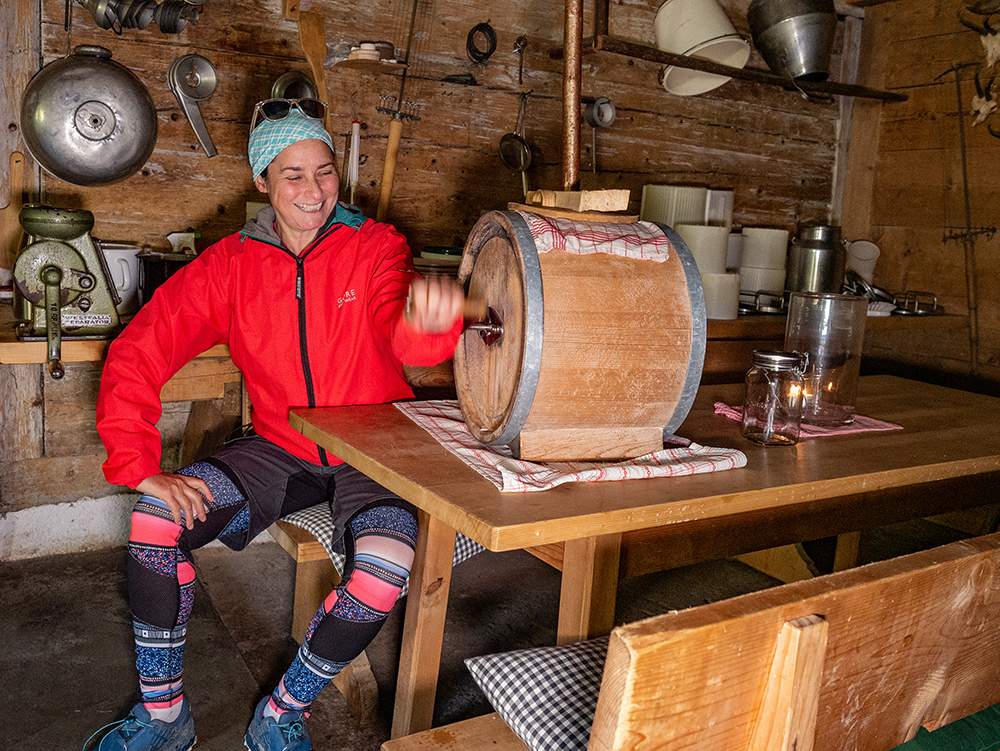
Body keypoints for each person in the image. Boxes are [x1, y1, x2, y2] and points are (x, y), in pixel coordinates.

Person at [88, 98, 465, 751]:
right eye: (293, 174)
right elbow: (137, 350)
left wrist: (429, 323)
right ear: (262, 181)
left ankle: (283, 709)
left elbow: (399, 335)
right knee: (154, 521)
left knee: (384, 567)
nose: (314, 190)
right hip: (281, 448)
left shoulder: (374, 245)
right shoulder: (229, 265)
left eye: (324, 171)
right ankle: (164, 718)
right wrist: (140, 464)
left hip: (375, 448)